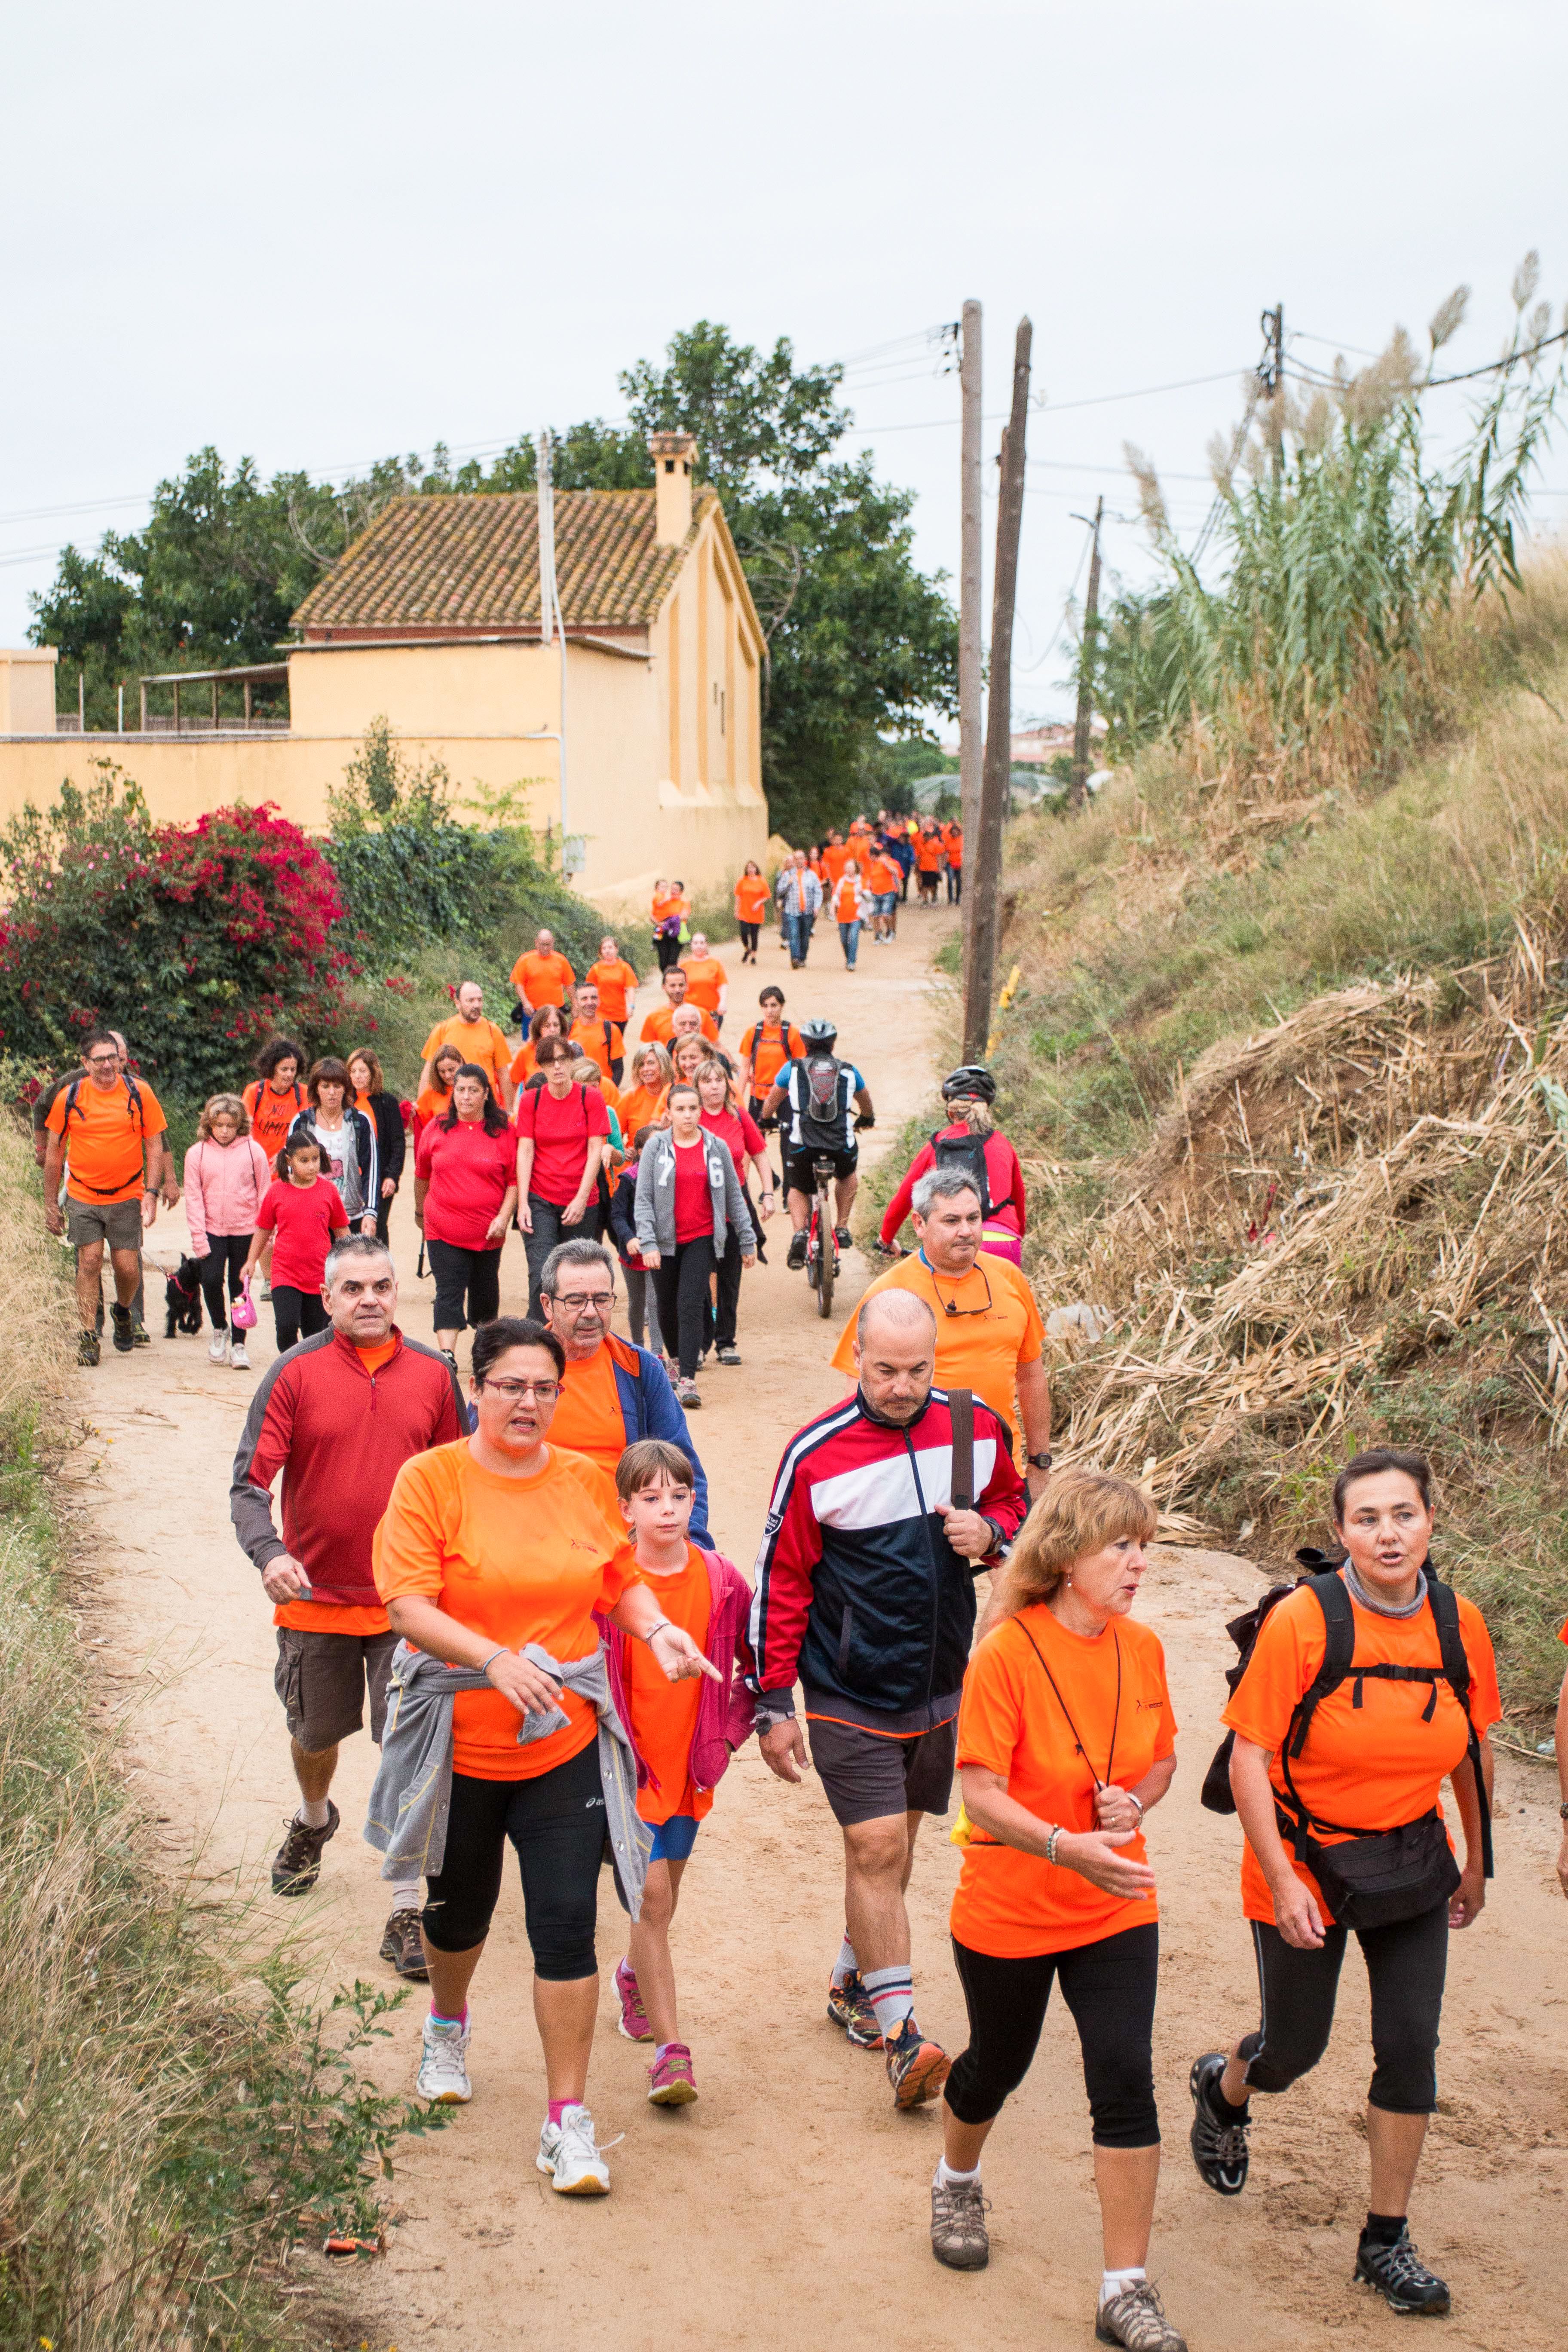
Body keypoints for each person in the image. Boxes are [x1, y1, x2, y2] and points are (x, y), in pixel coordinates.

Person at [366, 1316, 716, 2190]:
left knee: (566, 1926)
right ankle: (447, 2024)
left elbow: (617, 1581)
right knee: (461, 1916)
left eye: (544, 1388)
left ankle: (569, 2120)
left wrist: (661, 1629)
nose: (528, 1402)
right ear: (477, 1388)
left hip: (562, 1744)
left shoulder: (583, 1482)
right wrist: (491, 1658)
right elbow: (407, 1605)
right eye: (510, 1385)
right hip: (461, 1748)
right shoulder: (431, 1481)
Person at [1188, 1448, 1499, 2321]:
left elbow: (1471, 1749)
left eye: (1404, 1514)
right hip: (1306, 1864)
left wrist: (1477, 1858)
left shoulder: (1458, 1623)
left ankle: (1384, 2242)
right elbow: (1250, 1759)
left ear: (1431, 1521)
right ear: (1341, 1533)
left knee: (1410, 2047)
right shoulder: (1306, 1622)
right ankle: (1225, 2088)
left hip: (1412, 1861)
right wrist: (1285, 1882)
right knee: (1295, 2051)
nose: (1388, 1534)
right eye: (1367, 1519)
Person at [750, 1289, 1028, 2108]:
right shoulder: (817, 1455)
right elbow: (782, 1579)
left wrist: (993, 1535)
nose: (900, 1387)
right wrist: (772, 1701)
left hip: (942, 1683)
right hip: (846, 1686)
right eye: (883, 1371)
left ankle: (850, 1981)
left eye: (916, 1370)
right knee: (874, 1850)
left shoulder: (976, 1427)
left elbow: (1015, 1505)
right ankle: (903, 2038)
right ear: (854, 1358)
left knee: (896, 1853)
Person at [930, 1471, 1184, 2350]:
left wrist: (1134, 1805)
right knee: (998, 2062)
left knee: (1123, 2074)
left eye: (1144, 1546)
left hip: (1116, 1901)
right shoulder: (1005, 1652)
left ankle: (1126, 2289)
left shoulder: (1142, 1649)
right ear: (1068, 1554)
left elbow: (1162, 1762)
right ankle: (957, 2176)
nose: (1137, 1564)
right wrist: (1060, 1843)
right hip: (1011, 1905)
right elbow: (981, 1793)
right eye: (1121, 1546)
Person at [231, 1233, 465, 1972]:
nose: (369, 1299)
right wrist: (270, 1554)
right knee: (315, 1734)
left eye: (382, 1286)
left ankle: (404, 1908)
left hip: (411, 1605)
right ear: (327, 1298)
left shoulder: (433, 1375)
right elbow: (249, 1483)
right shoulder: (294, 1373)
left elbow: (464, 1483)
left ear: (399, 1292)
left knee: (414, 1752)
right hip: (316, 1602)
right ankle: (312, 1817)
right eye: (353, 1288)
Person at [602, 1440, 755, 2104]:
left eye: (679, 1495)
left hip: (690, 1771)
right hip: (626, 1770)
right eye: (651, 1497)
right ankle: (671, 2053)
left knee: (663, 1905)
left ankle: (633, 1975)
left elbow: (756, 1656)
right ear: (625, 1509)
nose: (668, 1509)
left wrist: (746, 1726)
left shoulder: (721, 1578)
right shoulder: (608, 1584)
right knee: (654, 1901)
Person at [836, 1167, 1050, 1488]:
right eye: (951, 1221)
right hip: (915, 1471)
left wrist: (1039, 1463)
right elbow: (858, 1389)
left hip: (1002, 1469)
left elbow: (1031, 1376)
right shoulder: (889, 1292)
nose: (966, 1231)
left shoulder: (1010, 1279)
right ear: (919, 1224)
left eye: (973, 1218)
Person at [537, 1237, 712, 1537]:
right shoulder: (514, 1374)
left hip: (626, 1551)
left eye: (602, 1300)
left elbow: (683, 1472)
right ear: (548, 1306)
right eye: (576, 1301)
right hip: (537, 1547)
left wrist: (692, 1550)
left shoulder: (640, 1370)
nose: (591, 1312)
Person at [43, 1028, 173, 1365]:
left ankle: (124, 1311)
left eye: (112, 1057)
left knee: (127, 1268)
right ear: (85, 1063)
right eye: (98, 1059)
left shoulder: (139, 1092)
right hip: (83, 1194)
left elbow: (155, 1144)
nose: (106, 1065)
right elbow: (55, 1154)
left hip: (127, 1194)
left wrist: (152, 1192)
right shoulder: (70, 1096)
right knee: (88, 1262)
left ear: (120, 1058)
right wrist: (49, 1206)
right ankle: (87, 1335)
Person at [633, 1082, 756, 1409]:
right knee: (666, 1307)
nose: (687, 1115)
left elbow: (734, 1196)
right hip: (663, 1242)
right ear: (669, 1113)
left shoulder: (716, 1148)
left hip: (702, 1239)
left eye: (693, 1108)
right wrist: (648, 1242)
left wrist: (748, 1239)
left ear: (700, 1111)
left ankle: (688, 1377)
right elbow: (643, 1199)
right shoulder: (657, 1149)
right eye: (680, 1109)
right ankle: (673, 1361)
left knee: (690, 1304)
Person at [413, 1065, 520, 1362]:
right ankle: (447, 1353)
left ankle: (483, 1353)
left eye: (474, 1090)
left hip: (489, 1232)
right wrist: (420, 1214)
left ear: (487, 1094)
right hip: (442, 1227)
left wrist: (503, 1217)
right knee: (449, 1288)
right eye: (460, 1090)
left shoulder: (504, 1131)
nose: (466, 1096)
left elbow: (514, 1180)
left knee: (485, 1296)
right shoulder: (437, 1128)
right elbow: (422, 1175)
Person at [879, 1068, 1028, 1267]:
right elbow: (1019, 1196)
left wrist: (886, 1238)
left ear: (951, 1111)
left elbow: (905, 1197)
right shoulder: (1002, 1143)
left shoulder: (937, 1145)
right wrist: (1015, 1233)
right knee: (1007, 1297)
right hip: (1004, 1241)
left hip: (956, 1243)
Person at [760, 1017, 872, 1269]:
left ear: (805, 1044)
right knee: (848, 1177)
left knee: (799, 1187)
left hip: (803, 1144)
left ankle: (800, 1234)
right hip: (841, 1145)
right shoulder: (848, 1070)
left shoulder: (793, 1068)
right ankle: (842, 1227)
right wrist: (867, 1117)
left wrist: (765, 1119)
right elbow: (865, 1099)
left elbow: (772, 1100)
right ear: (833, 1045)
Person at [515, 1035, 609, 1318]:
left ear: (571, 1062)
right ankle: (536, 1340)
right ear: (541, 1066)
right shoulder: (531, 1100)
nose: (557, 1067)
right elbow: (525, 1150)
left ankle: (573, 1336)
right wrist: (522, 1203)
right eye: (549, 1061)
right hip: (540, 1196)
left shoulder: (589, 1097)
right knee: (542, 1272)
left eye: (562, 1060)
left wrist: (581, 1199)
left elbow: (596, 1149)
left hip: (581, 1199)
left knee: (576, 1277)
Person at [184, 1093, 271, 1369]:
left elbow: (264, 1195)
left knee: (238, 1285)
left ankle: (239, 1343)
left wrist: (265, 1235)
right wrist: (199, 1238)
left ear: (240, 1126)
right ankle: (220, 1328)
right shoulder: (196, 1154)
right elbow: (194, 1198)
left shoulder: (254, 1152)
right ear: (209, 1124)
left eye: (230, 1126)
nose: (224, 1131)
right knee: (210, 1280)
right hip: (211, 1230)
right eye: (219, 1125)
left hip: (246, 1229)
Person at [695, 1056, 772, 1365]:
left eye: (719, 1080)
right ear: (697, 1086)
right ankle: (699, 1344)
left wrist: (767, 1194)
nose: (714, 1087)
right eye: (707, 1081)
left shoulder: (739, 1116)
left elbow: (760, 1154)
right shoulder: (690, 1117)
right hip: (697, 1207)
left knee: (730, 1277)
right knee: (699, 1277)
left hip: (733, 1203)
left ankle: (726, 1342)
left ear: (727, 1084)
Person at [244, 1132, 348, 1351]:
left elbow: (342, 1232)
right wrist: (251, 1261)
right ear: (289, 1161)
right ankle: (288, 1368)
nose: (311, 1166)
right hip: (285, 1273)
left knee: (316, 1335)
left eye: (315, 1159)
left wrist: (353, 1264)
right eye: (304, 1161)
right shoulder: (277, 1191)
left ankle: (310, 1376)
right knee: (286, 1325)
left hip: (319, 1275)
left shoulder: (329, 1191)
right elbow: (263, 1229)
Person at [287, 1060, 379, 1239]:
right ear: (316, 1089)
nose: (331, 1092)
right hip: (311, 1216)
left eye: (337, 1086)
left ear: (346, 1088)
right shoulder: (301, 1123)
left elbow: (372, 1169)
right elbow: (291, 1171)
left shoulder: (360, 1122)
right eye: (325, 1086)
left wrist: (370, 1212)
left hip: (351, 1215)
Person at [607, 1127, 664, 1357]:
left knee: (655, 1301)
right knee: (636, 1302)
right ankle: (639, 1349)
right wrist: (629, 1237)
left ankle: (658, 1354)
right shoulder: (629, 1179)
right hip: (631, 1252)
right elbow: (618, 1215)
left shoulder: (669, 1178)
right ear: (641, 1151)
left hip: (658, 1250)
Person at [348, 1047, 407, 1248]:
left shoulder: (386, 1102)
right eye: (353, 1071)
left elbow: (398, 1143)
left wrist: (392, 1176)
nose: (358, 1076)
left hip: (379, 1179)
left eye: (363, 1071)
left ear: (373, 1073)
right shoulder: (344, 1101)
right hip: (350, 1179)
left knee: (377, 1227)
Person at [418, 981, 512, 1109]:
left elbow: (503, 1074)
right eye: (471, 1001)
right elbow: (429, 1071)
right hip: (451, 1107)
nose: (477, 1005)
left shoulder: (493, 1031)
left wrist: (509, 1110)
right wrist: (420, 1108)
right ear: (458, 1003)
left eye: (480, 1000)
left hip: (486, 1106)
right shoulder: (442, 1031)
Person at [737, 986, 804, 1128]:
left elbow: (802, 1069)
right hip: (758, 1095)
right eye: (765, 1006)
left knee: (789, 1142)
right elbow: (745, 1068)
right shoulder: (753, 1032)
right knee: (754, 1141)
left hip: (785, 1095)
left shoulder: (793, 1033)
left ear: (782, 1006)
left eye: (774, 1005)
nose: (769, 1011)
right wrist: (738, 1099)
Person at [243, 1035, 308, 1166]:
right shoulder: (254, 1092)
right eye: (284, 1069)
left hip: (289, 1165)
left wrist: (285, 1155)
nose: (289, 1074)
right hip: (258, 1164)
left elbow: (305, 1132)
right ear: (272, 1068)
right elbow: (244, 1130)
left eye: (293, 1070)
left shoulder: (303, 1093)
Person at [636, 965, 719, 1051]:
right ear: (664, 987)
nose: (677, 990)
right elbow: (647, 1050)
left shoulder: (701, 1014)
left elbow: (716, 1045)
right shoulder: (654, 1018)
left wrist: (732, 1064)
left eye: (681, 985)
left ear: (687, 986)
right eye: (673, 986)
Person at [510, 1003, 578, 1091]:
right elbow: (513, 1083)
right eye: (547, 1026)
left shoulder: (571, 1050)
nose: (553, 1030)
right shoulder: (526, 1052)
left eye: (556, 1025)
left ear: (562, 1028)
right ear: (538, 1028)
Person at [567, 981, 625, 1085]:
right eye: (584, 999)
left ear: (599, 1000)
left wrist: (610, 1090)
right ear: (576, 1002)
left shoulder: (611, 1030)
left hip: (603, 1089)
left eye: (594, 998)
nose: (590, 1003)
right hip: (576, 1090)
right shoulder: (568, 1030)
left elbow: (618, 1068)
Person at [512, 928, 575, 1023]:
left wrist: (575, 1004)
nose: (546, 948)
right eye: (543, 945)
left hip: (556, 1011)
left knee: (555, 1037)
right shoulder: (525, 960)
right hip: (532, 1011)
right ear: (536, 943)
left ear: (553, 943)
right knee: (531, 1038)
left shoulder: (561, 961)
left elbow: (569, 984)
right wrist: (525, 1003)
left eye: (548, 945)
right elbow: (518, 984)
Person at [776, 849, 823, 968]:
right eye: (796, 859)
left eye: (801, 858)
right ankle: (795, 959)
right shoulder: (787, 875)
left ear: (805, 859)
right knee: (793, 934)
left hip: (807, 911)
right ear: (794, 861)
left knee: (805, 936)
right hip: (791, 911)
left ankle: (802, 958)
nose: (799, 861)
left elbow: (818, 892)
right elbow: (779, 891)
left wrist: (817, 906)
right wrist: (788, 884)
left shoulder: (812, 875)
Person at [585, 935, 640, 1029]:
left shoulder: (624, 968)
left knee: (617, 1041)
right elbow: (588, 989)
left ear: (616, 949)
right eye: (604, 948)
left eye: (610, 948)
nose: (607, 951)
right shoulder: (596, 969)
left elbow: (630, 988)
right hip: (601, 1013)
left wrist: (631, 1006)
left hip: (620, 1014)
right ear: (601, 951)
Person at [620, 1042, 673, 1141]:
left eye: (651, 1063)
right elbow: (616, 1138)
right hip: (637, 1154)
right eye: (641, 1065)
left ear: (663, 1064)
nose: (646, 1069)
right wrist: (625, 1152)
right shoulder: (630, 1097)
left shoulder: (675, 1094)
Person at [680, 933, 729, 1031]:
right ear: (691, 945)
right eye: (696, 943)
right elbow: (679, 988)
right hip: (691, 1013)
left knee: (710, 1043)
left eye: (702, 943)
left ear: (707, 945)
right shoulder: (683, 965)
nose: (699, 946)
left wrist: (723, 1002)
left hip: (712, 1012)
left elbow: (722, 984)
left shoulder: (715, 963)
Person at [413, 1042, 464, 1137]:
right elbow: (419, 1128)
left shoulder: (475, 1088)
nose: (447, 1075)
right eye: (442, 1071)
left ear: (461, 1062)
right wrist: (411, 1114)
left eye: (451, 1070)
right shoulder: (431, 1093)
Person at [834, 858, 871, 970]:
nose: (849, 870)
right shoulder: (841, 881)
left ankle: (851, 962)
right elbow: (836, 895)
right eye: (847, 867)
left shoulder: (861, 881)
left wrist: (863, 893)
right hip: (843, 915)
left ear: (856, 869)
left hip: (857, 914)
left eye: (851, 867)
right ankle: (849, 957)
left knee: (854, 938)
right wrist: (834, 905)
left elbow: (869, 898)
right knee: (844, 940)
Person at [865, 840, 901, 943]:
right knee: (876, 916)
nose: (869, 858)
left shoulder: (885, 862)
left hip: (888, 892)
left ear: (874, 856)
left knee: (886, 914)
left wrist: (887, 865)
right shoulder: (872, 866)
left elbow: (895, 873)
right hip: (876, 893)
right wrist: (869, 885)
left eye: (870, 856)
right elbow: (870, 878)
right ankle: (878, 935)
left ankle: (890, 932)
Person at [734, 861, 770, 964]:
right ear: (746, 870)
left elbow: (767, 896)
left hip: (756, 912)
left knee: (754, 935)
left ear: (756, 869)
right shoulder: (742, 881)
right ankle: (747, 949)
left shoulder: (762, 881)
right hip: (744, 912)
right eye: (749, 868)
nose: (751, 869)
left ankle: (754, 956)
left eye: (753, 867)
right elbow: (738, 896)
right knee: (744, 933)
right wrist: (736, 910)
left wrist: (759, 903)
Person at [652, 878, 686, 973]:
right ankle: (667, 981)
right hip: (663, 931)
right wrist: (659, 923)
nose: (673, 891)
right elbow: (652, 915)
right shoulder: (665, 900)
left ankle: (672, 980)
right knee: (663, 961)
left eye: (676, 890)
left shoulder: (684, 903)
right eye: (672, 889)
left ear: (681, 892)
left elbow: (684, 916)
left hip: (676, 933)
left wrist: (670, 921)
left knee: (672, 960)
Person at [915, 820, 945, 906]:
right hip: (923, 868)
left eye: (927, 837)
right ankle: (925, 900)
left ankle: (934, 896)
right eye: (925, 837)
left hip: (933, 868)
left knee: (933, 885)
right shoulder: (920, 846)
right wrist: (917, 867)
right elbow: (919, 857)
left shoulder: (934, 845)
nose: (926, 839)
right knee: (924, 885)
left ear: (930, 837)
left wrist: (939, 868)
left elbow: (939, 856)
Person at [943, 819, 964, 903]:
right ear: (951, 833)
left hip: (960, 863)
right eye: (953, 832)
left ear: (959, 832)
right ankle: (950, 898)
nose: (955, 834)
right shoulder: (948, 841)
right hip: (950, 863)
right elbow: (945, 852)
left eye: (956, 832)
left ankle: (958, 898)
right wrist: (944, 864)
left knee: (959, 882)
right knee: (950, 880)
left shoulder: (962, 840)